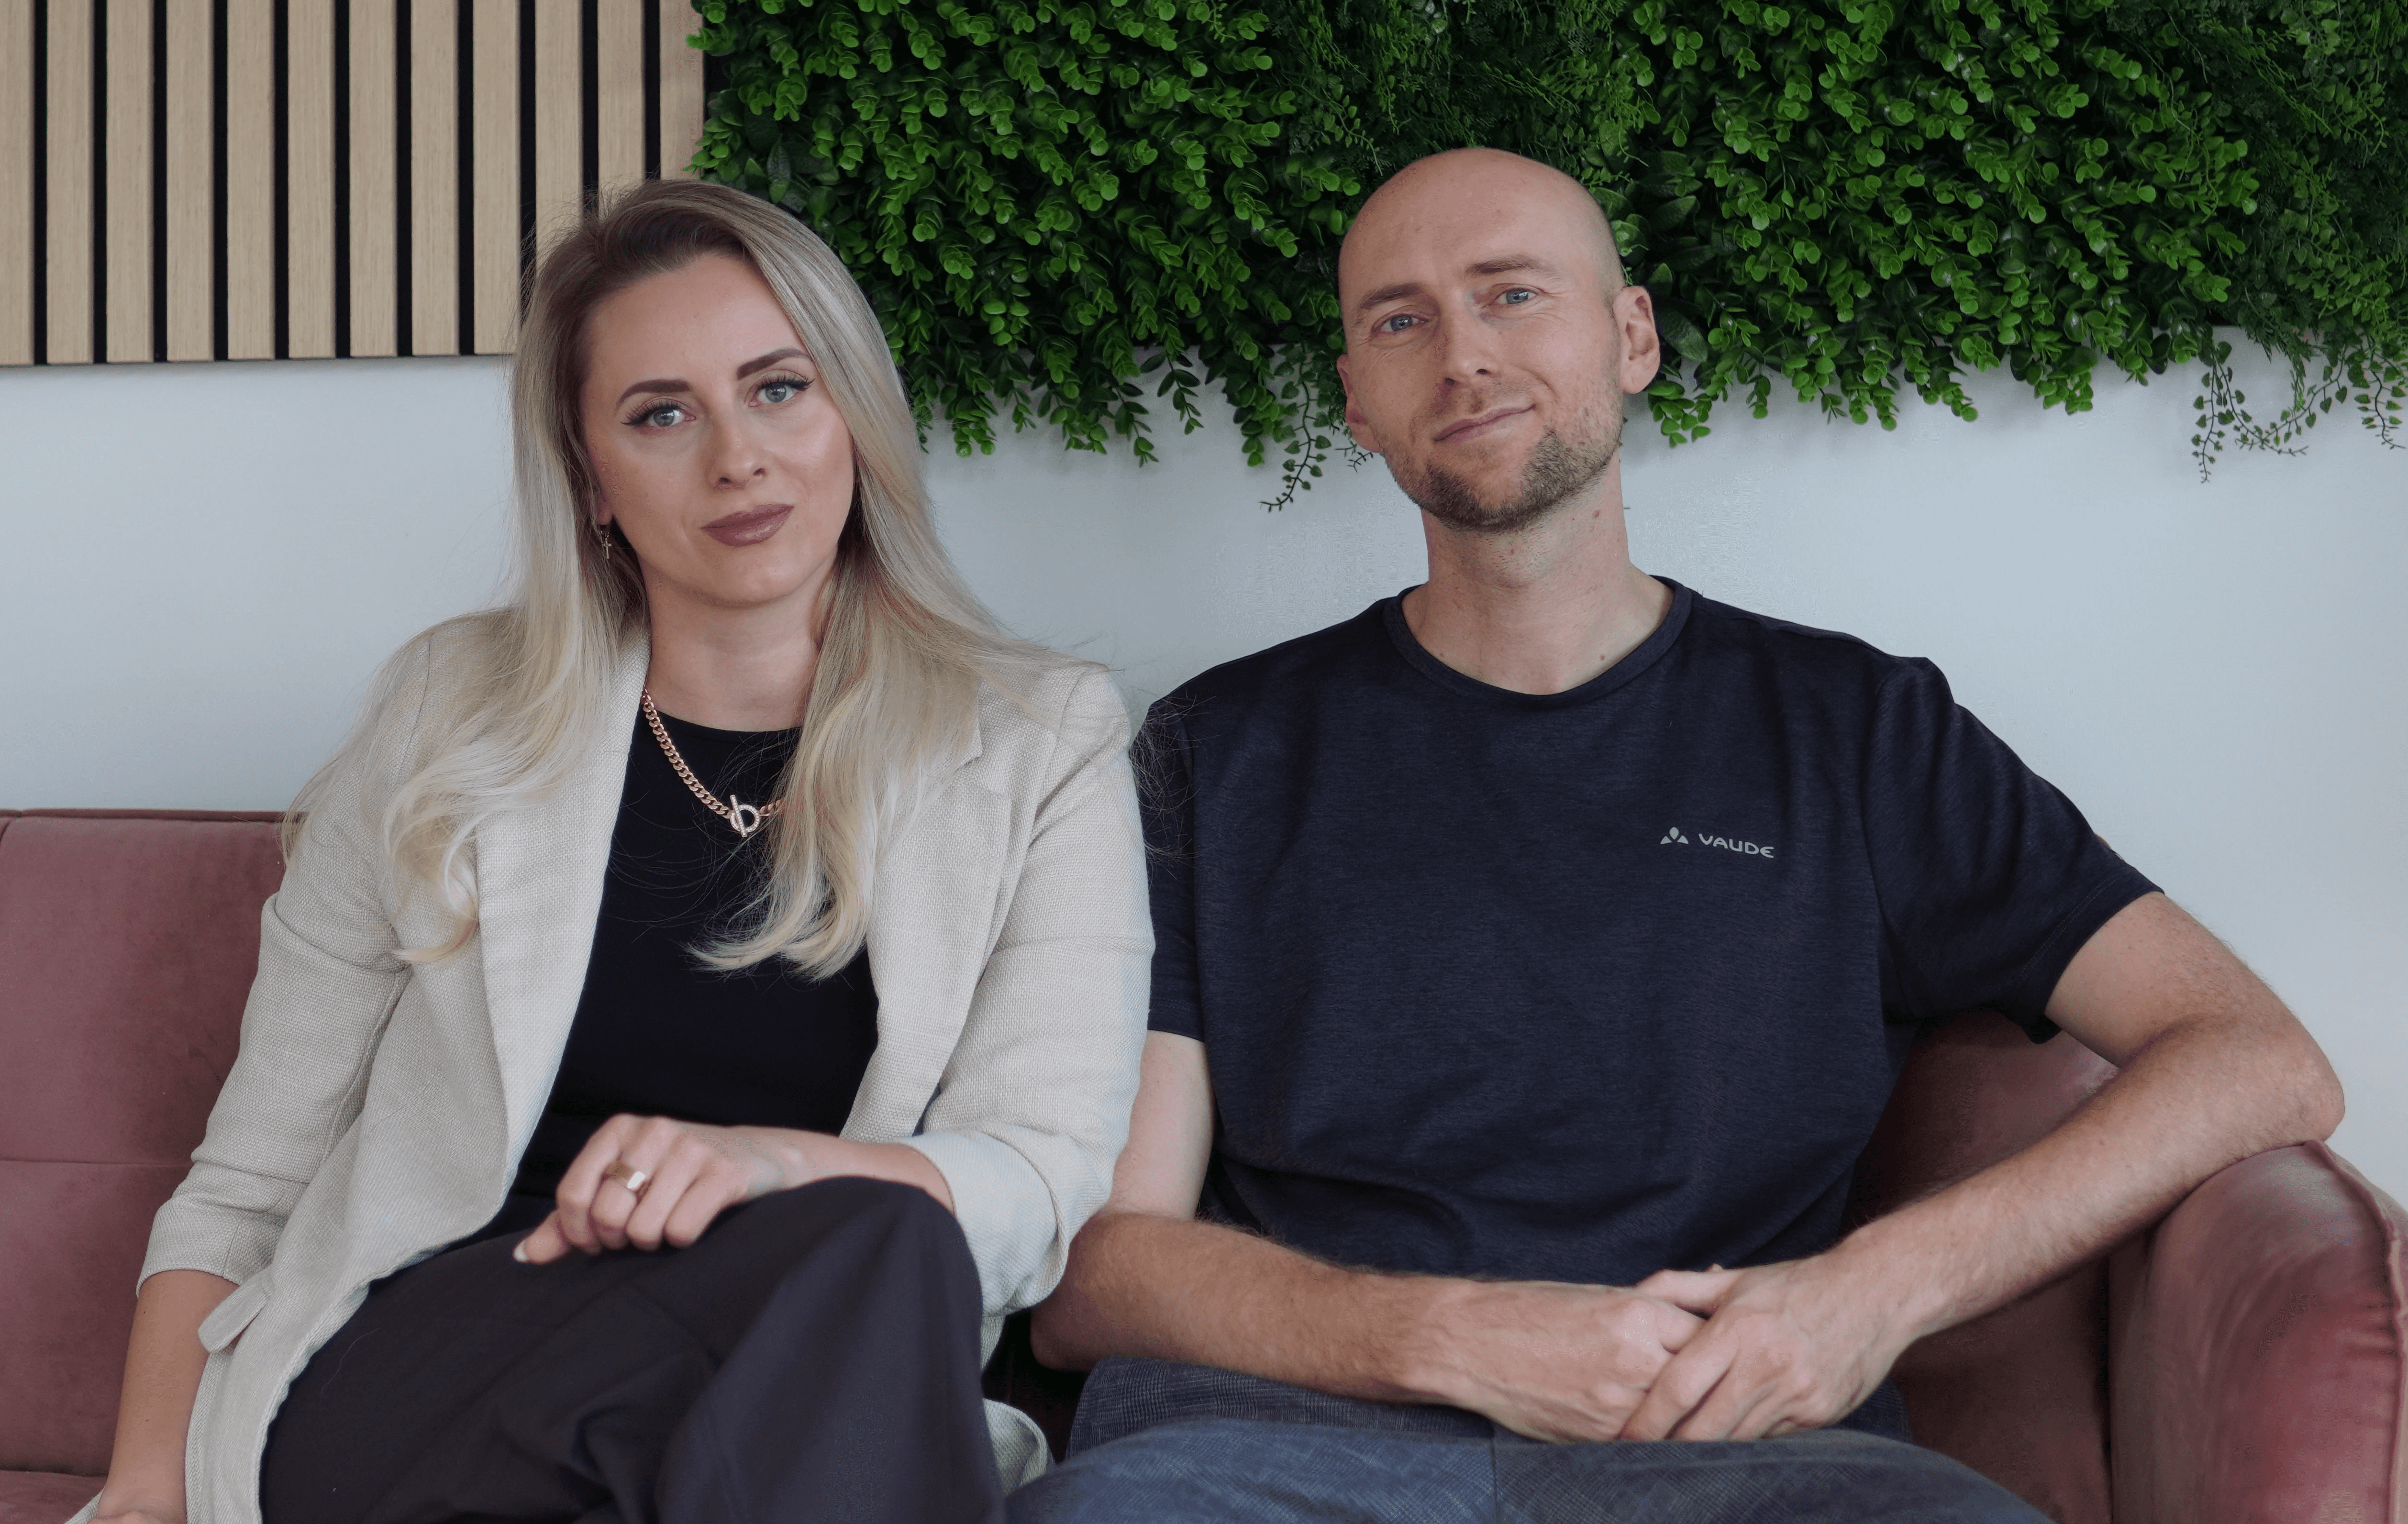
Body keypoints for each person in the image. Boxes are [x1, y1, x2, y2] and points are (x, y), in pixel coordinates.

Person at [1013, 148, 2346, 1523]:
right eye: (1399, 321)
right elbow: (1099, 1271)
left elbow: (2259, 1061)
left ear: (1631, 333)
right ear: (1356, 401)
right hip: (1261, 1463)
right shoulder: (1213, 748)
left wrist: (1869, 1296)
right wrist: (1461, 1338)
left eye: (1513, 293)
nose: (1464, 357)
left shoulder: (1857, 730)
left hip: (1749, 1467)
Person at [78, 180, 1151, 1524]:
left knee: (882, 1243)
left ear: (856, 417)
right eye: (662, 415)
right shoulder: (446, 717)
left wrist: (770, 1164)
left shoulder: (1039, 740)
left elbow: (1042, 1180)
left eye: (779, 389)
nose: (738, 459)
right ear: (590, 480)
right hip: (435, 1360)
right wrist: (140, 1489)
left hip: (781, 1370)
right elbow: (248, 1181)